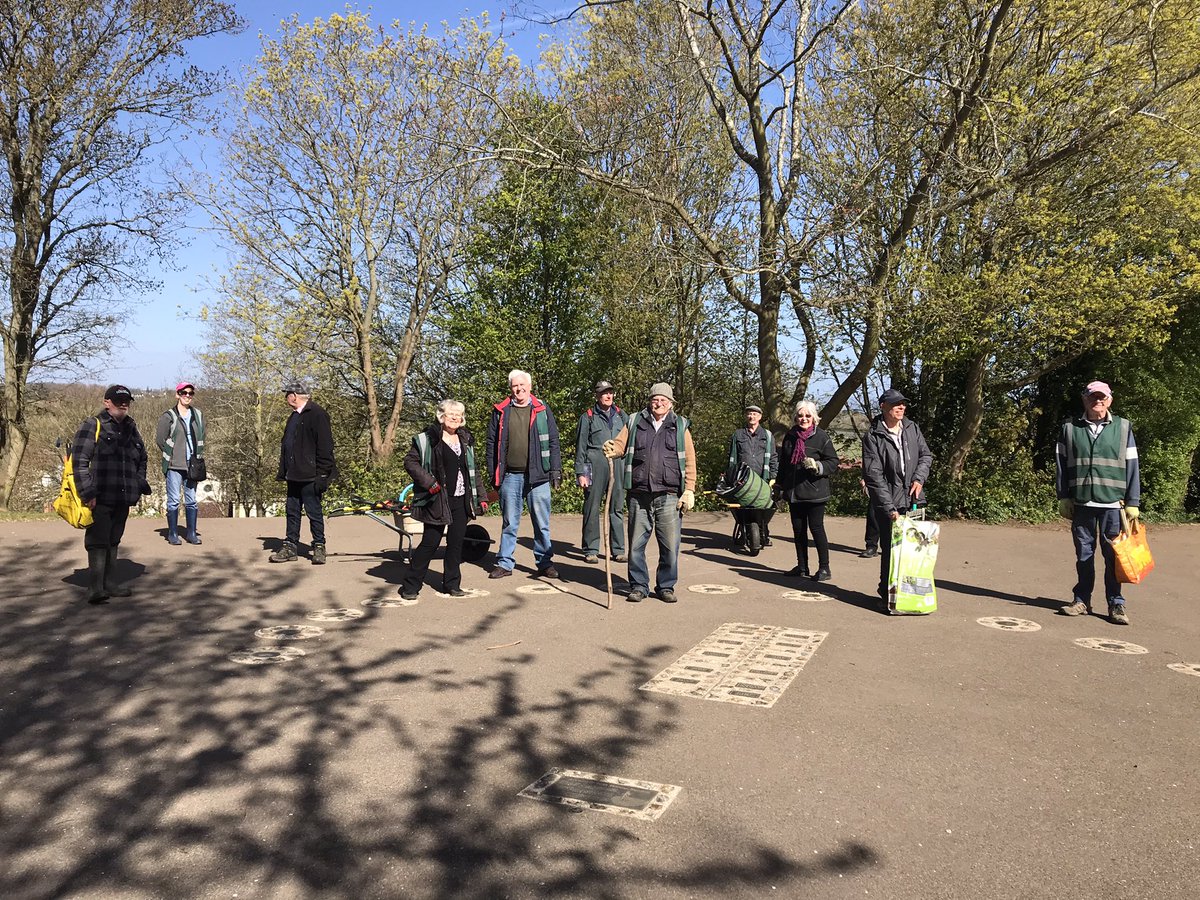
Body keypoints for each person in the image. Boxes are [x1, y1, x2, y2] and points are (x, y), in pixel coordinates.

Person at [1055, 380, 1141, 625]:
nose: (1098, 401)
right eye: (1093, 397)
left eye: (1102, 397)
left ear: (1110, 400)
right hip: (1082, 502)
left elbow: (1133, 465)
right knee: (1084, 555)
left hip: (1114, 503)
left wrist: (1133, 500)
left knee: (1114, 557)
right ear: (1085, 399)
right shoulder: (1070, 428)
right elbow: (1061, 465)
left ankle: (1116, 604)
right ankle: (1081, 600)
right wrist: (1063, 496)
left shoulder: (1123, 428)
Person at [602, 383, 696, 604]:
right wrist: (612, 448)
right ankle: (638, 586)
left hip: (669, 494)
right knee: (636, 544)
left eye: (664, 400)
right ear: (650, 401)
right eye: (655, 399)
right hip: (639, 493)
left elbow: (690, 460)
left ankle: (665, 586)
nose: (659, 403)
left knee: (669, 545)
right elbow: (620, 444)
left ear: (671, 403)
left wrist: (689, 489)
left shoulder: (680, 426)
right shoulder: (635, 420)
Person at [71, 385, 152, 604]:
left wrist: (138, 481)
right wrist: (87, 492)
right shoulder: (92, 425)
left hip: (123, 496)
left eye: (126, 401)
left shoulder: (131, 427)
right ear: (107, 403)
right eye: (119, 401)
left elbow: (142, 457)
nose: (123, 404)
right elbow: (78, 462)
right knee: (98, 540)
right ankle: (95, 587)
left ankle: (109, 583)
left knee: (114, 539)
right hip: (100, 495)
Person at [400, 400, 489, 599]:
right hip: (437, 499)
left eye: (459, 415)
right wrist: (429, 482)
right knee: (430, 543)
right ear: (442, 416)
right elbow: (410, 462)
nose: (455, 418)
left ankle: (451, 584)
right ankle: (410, 586)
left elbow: (473, 473)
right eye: (451, 415)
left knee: (456, 543)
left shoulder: (465, 439)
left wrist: (481, 497)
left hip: (461, 499)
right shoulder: (429, 439)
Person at [486, 369, 562, 579]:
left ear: (530, 386)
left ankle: (545, 563)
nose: (519, 389)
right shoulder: (500, 411)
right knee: (510, 522)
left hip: (539, 477)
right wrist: (494, 473)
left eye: (522, 385)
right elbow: (491, 443)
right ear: (510, 388)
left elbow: (554, 441)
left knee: (541, 523)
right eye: (514, 386)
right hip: (511, 476)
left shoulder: (542, 409)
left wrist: (555, 469)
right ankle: (505, 563)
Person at [861, 388, 933, 608]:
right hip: (889, 503)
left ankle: (911, 596)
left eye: (903, 404)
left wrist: (919, 478)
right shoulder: (873, 436)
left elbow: (926, 455)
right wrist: (889, 507)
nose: (901, 407)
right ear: (883, 406)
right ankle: (887, 593)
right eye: (896, 404)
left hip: (914, 500)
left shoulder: (912, 428)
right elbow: (874, 475)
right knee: (891, 551)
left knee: (915, 551)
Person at [271, 380, 337, 565]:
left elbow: (325, 447)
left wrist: (323, 474)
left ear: (294, 396)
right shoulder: (294, 416)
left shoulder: (317, 414)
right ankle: (290, 545)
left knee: (314, 511)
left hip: (311, 474)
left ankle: (319, 545)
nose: (286, 398)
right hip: (293, 473)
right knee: (292, 511)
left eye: (287, 394)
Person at [776, 400, 840, 580]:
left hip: (815, 492)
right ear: (795, 417)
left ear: (814, 417)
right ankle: (802, 566)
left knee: (816, 529)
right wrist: (779, 485)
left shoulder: (821, 437)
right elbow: (784, 464)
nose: (803, 419)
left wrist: (818, 466)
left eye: (807, 416)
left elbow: (833, 462)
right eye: (800, 415)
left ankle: (824, 568)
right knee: (798, 530)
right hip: (795, 492)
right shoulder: (790, 436)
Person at [574, 380, 628, 564]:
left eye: (610, 392)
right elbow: (580, 447)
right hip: (594, 466)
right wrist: (580, 472)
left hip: (618, 465)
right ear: (597, 396)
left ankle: (618, 549)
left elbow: (630, 443)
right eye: (604, 393)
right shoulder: (588, 417)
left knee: (617, 508)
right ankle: (591, 549)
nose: (608, 396)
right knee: (591, 507)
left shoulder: (622, 416)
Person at [155, 381, 205, 546]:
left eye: (191, 393)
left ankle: (191, 533)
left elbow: (201, 436)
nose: (188, 396)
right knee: (174, 500)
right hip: (174, 464)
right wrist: (173, 453)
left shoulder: (198, 414)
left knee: (191, 499)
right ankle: (173, 533)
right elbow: (160, 440)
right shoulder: (168, 416)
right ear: (177, 394)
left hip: (192, 464)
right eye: (184, 393)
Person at [726, 403, 778, 552]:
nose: (751, 416)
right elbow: (732, 458)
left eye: (755, 414)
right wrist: (731, 476)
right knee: (744, 506)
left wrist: (773, 476)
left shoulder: (767, 435)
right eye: (749, 413)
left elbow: (773, 457)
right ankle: (744, 532)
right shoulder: (738, 435)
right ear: (746, 416)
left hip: (762, 478)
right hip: (743, 479)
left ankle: (763, 533)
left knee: (762, 506)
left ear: (760, 417)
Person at [858, 478, 880, 558]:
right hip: (878, 483)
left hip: (897, 484)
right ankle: (871, 546)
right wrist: (865, 478)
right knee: (872, 515)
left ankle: (892, 548)